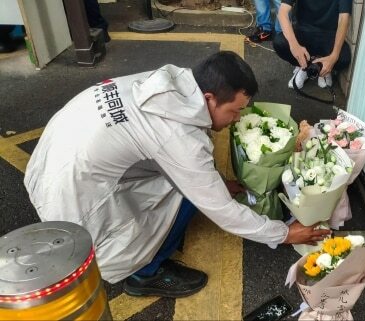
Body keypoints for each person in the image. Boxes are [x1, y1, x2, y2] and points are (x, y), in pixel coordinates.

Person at [24, 51, 330, 298]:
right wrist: (285, 233)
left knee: (196, 182)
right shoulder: (179, 137)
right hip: (74, 199)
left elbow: (155, 146)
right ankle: (146, 274)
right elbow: (222, 211)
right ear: (210, 98)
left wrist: (213, 181)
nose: (237, 119)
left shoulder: (169, 82)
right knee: (191, 195)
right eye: (234, 111)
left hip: (51, 161)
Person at [273, 0, 352, 89]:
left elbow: (344, 18)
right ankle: (304, 66)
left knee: (344, 57)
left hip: (329, 35)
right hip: (304, 31)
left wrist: (334, 57)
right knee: (280, 42)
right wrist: (294, 46)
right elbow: (283, 12)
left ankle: (323, 68)